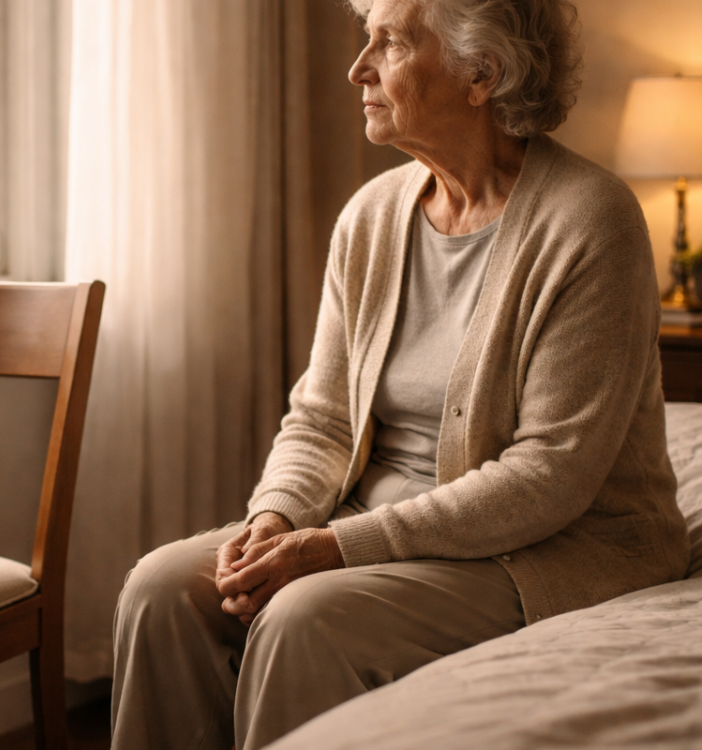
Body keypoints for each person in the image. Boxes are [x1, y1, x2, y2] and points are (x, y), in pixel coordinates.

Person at [110, 0, 691, 748]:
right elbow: (322, 417)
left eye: (388, 43)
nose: (358, 68)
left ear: (480, 72)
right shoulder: (371, 216)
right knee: (160, 590)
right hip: (376, 524)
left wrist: (333, 550)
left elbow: (548, 476)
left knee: (303, 620)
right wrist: (276, 520)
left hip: (554, 545)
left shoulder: (590, 220)